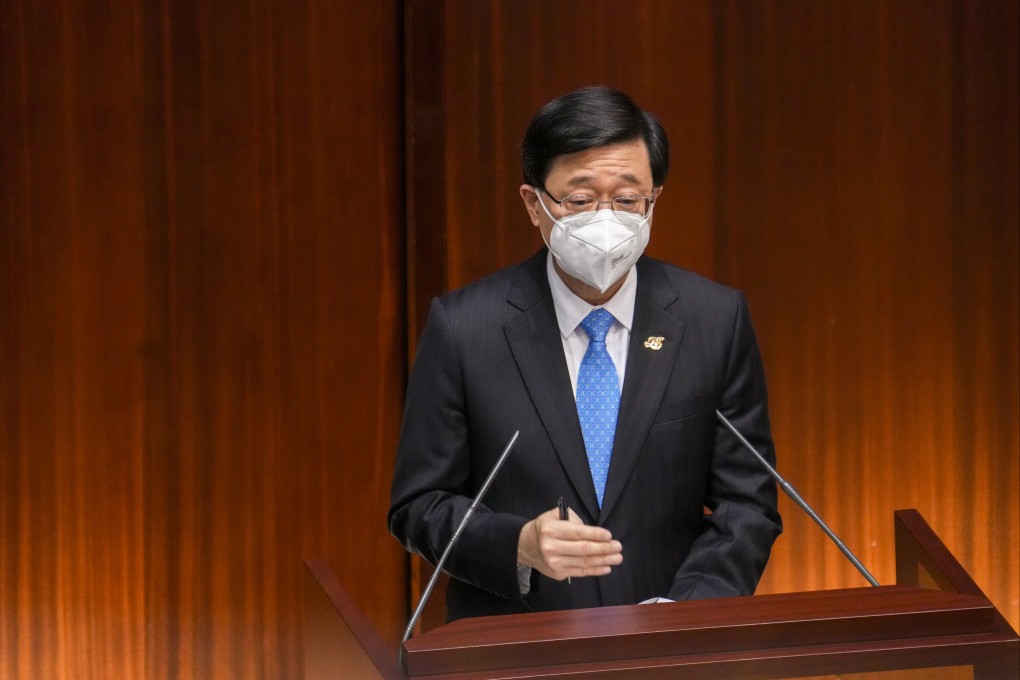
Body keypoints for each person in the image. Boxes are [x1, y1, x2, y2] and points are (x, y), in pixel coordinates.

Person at [388, 86, 782, 622]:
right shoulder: (465, 329)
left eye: (627, 200)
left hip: (672, 642)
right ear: (534, 204)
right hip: (519, 643)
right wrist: (517, 545)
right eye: (579, 200)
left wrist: (683, 616)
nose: (606, 218)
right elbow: (419, 505)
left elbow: (747, 503)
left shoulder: (714, 320)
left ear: (653, 200)